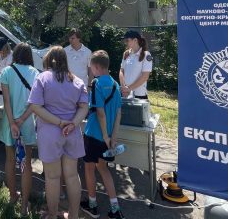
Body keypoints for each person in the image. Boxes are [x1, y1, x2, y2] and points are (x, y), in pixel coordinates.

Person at [29, 46, 88, 219]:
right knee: (72, 175)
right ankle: (74, 215)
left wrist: (59, 123)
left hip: (50, 134)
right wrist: (73, 124)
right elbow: (84, 107)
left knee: (52, 178)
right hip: (72, 133)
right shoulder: (77, 81)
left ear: (49, 60)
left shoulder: (42, 78)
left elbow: (35, 106)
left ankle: (53, 215)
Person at [80, 50, 125, 219]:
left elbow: (100, 113)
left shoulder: (97, 84)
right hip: (109, 138)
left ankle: (92, 206)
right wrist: (113, 137)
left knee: (89, 168)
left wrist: (105, 136)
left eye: (91, 68)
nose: (90, 71)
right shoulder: (115, 84)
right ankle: (115, 208)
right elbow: (118, 114)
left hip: (94, 134)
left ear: (97, 67)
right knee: (103, 168)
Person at [0, 43, 39, 216]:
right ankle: (24, 205)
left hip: (9, 122)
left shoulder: (6, 72)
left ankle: (12, 196)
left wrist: (13, 123)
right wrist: (22, 120)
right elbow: (35, 102)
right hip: (27, 122)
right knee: (26, 163)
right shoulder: (35, 73)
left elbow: (6, 101)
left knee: (9, 160)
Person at [119, 30, 153, 99]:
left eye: (127, 40)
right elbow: (121, 71)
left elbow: (145, 76)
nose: (125, 42)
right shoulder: (126, 53)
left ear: (135, 40)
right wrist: (123, 87)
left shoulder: (146, 55)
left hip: (139, 95)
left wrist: (129, 88)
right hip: (125, 93)